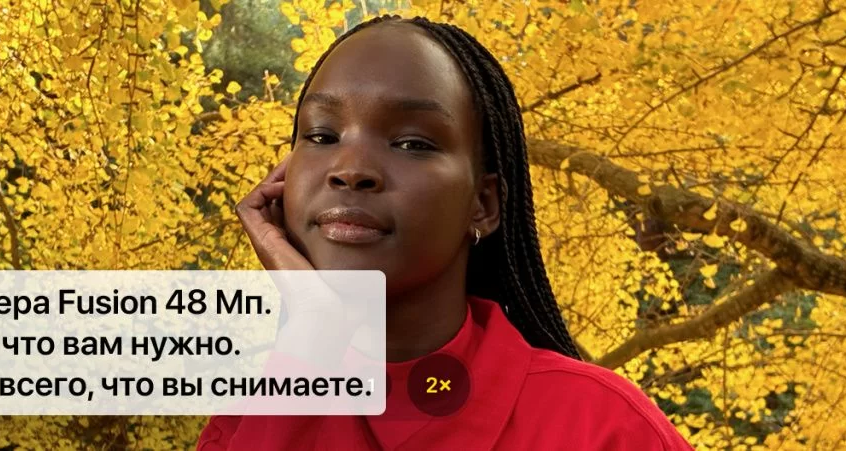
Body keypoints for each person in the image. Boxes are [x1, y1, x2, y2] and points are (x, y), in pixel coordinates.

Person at [197, 14, 694, 451]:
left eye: (412, 143)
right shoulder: (246, 424)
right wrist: (312, 331)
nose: (350, 169)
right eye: (322, 136)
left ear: (483, 204)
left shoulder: (606, 428)